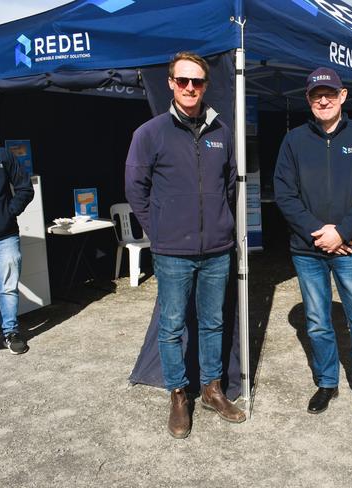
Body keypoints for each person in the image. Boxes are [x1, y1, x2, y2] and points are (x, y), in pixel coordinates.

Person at [125, 51, 244, 439]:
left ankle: (211, 388)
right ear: (171, 84)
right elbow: (136, 189)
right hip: (172, 252)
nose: (190, 88)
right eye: (182, 81)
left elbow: (227, 186)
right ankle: (178, 393)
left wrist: (219, 225)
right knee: (172, 325)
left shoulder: (221, 132)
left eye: (197, 82)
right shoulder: (150, 133)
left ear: (206, 86)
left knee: (213, 322)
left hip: (216, 250)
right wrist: (159, 232)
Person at [274, 67, 352, 420]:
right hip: (308, 251)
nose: (323, 99)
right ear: (308, 99)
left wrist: (343, 232)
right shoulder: (293, 140)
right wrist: (319, 234)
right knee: (318, 321)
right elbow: (284, 194)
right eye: (315, 94)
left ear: (343, 96)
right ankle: (327, 383)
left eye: (329, 93)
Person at [0, 147, 34, 355]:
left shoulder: (4, 156)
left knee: (8, 286)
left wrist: (9, 213)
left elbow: (25, 188)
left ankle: (10, 332)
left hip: (5, 236)